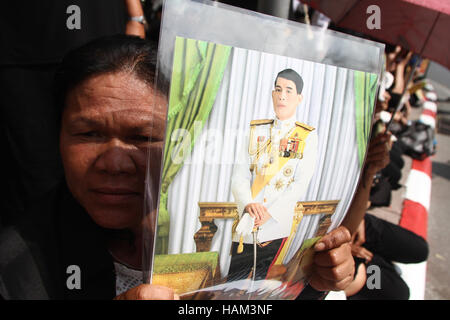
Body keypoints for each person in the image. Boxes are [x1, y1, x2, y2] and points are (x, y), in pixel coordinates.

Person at [0, 35, 175, 300]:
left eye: (143, 138)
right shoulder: (15, 273)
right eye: (89, 134)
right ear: (58, 135)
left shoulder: (234, 237)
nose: (114, 164)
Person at [0, 0, 147, 229]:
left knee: (115, 172)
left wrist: (135, 16)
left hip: (102, 35)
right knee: (32, 183)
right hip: (20, 48)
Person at [228, 68, 318, 281]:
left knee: (260, 283)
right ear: (272, 93)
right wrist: (248, 204)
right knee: (233, 280)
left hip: (276, 223)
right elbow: (239, 175)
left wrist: (270, 212)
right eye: (278, 89)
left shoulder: (306, 136)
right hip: (248, 220)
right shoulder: (256, 130)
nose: (282, 96)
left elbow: (300, 183)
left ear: (299, 98)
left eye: (288, 90)